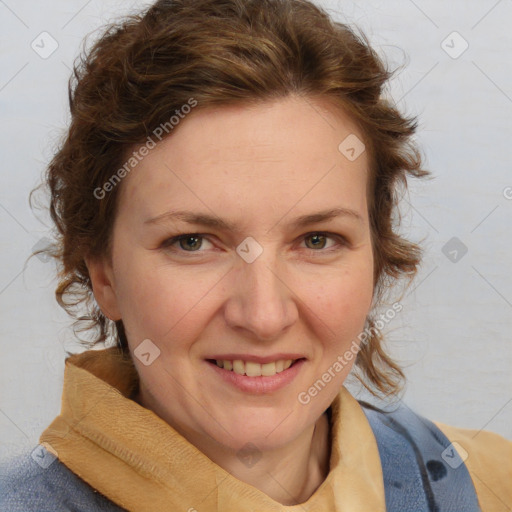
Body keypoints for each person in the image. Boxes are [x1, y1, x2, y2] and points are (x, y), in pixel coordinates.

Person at [1, 0, 510, 510]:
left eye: (317, 240)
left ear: (377, 258)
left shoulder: (492, 487)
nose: (264, 316)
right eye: (192, 243)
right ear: (104, 274)